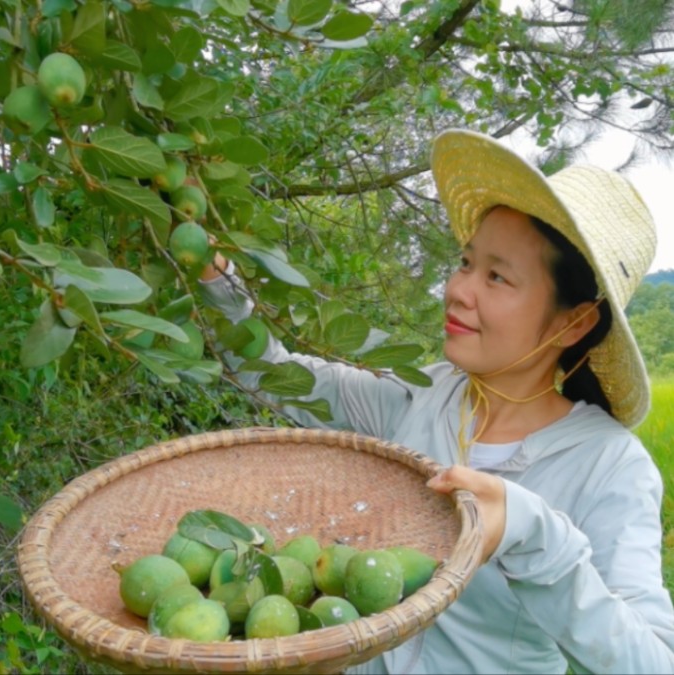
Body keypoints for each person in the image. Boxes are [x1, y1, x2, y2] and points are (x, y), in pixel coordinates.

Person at [198, 129, 674, 673]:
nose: (459, 290)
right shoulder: (421, 395)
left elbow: (653, 660)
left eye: (497, 276)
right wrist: (215, 274)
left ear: (573, 322)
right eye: (467, 262)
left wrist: (534, 534)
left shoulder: (608, 466)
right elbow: (275, 373)